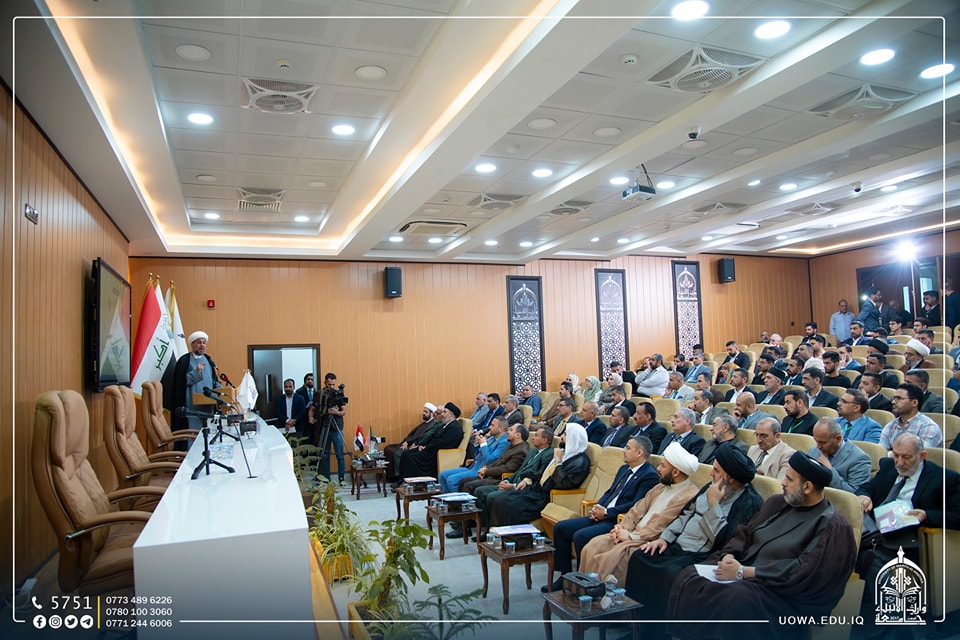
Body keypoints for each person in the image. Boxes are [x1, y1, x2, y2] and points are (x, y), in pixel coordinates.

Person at [667, 452, 857, 640]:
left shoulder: (832, 525)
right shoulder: (778, 503)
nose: (782, 483)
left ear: (807, 487)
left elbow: (804, 571)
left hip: (781, 592)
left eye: (789, 479)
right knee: (690, 576)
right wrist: (729, 555)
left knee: (735, 598)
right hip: (745, 573)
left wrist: (744, 572)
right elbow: (745, 533)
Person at [624, 446, 763, 637]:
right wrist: (664, 539)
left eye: (716, 470)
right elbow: (685, 514)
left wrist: (714, 505)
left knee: (671, 573)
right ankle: (638, 628)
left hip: (703, 554)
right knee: (640, 557)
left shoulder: (749, 502)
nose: (711, 473)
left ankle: (660, 633)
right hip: (677, 545)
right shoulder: (709, 487)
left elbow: (726, 542)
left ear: (730, 478)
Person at [855, 433, 960, 625]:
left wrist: (927, 515)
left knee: (869, 557)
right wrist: (864, 496)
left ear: (922, 456)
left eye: (906, 457)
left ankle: (894, 619)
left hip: (909, 538)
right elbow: (867, 488)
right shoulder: (889, 467)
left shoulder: (945, 479)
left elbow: (958, 516)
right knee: (841, 546)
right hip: (874, 528)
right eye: (896, 455)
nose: (900, 462)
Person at [543, 434, 660, 590]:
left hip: (616, 520)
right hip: (602, 514)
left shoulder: (649, 475)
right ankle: (565, 577)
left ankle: (582, 581)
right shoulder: (624, 469)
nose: (623, 451)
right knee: (561, 528)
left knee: (581, 536)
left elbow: (636, 506)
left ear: (639, 453)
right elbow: (610, 492)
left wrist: (606, 513)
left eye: (627, 448)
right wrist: (598, 506)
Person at [576, 442, 700, 585]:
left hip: (646, 539)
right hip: (630, 532)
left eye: (663, 466)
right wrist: (622, 528)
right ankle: (582, 588)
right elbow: (637, 509)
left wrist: (631, 536)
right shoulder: (660, 487)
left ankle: (600, 594)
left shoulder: (689, 495)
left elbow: (660, 524)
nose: (658, 468)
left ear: (676, 472)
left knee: (610, 559)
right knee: (592, 546)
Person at [487, 423, 591, 529]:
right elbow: (541, 472)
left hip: (546, 497)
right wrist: (527, 480)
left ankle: (512, 536)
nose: (561, 437)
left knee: (508, 504)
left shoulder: (580, 461)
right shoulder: (564, 453)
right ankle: (495, 533)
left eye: (565, 435)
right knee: (501, 498)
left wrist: (558, 461)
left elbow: (563, 483)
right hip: (535, 489)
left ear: (573, 438)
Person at [472, 426, 554, 539]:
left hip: (524, 488)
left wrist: (513, 486)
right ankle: (487, 528)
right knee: (480, 491)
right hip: (513, 481)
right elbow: (520, 470)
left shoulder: (549, 454)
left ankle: (494, 532)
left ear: (544, 440)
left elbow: (536, 475)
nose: (532, 438)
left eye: (536, 435)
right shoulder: (533, 451)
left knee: (492, 497)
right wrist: (507, 480)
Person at [394, 402, 464, 482]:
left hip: (435, 455)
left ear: (451, 414)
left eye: (444, 412)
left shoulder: (454, 428)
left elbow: (441, 443)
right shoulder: (445, 425)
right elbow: (432, 436)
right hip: (430, 450)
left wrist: (426, 447)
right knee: (406, 454)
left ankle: (410, 482)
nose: (442, 414)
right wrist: (423, 445)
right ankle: (403, 480)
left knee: (409, 457)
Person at [439, 415, 509, 494]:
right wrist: (478, 443)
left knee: (451, 480)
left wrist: (483, 444)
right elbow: (481, 452)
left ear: (501, 428)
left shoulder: (504, 442)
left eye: (492, 425)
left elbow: (490, 460)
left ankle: (457, 500)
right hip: (472, 466)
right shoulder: (492, 438)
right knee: (442, 475)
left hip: (481, 470)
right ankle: (447, 498)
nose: (489, 427)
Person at [171, 330, 220, 444]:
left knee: (208, 435)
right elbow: (181, 382)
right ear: (192, 344)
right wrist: (196, 372)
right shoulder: (184, 361)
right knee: (193, 436)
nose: (202, 345)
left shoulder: (208, 360)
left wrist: (221, 390)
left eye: (204, 343)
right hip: (192, 407)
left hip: (208, 405)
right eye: (199, 342)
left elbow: (213, 380)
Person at [807, 417, 871, 493]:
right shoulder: (813, 451)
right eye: (816, 441)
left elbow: (854, 494)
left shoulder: (859, 459)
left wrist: (829, 470)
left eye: (822, 442)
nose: (818, 446)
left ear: (838, 438)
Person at [878, 383, 942, 450]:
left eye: (899, 398)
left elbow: (920, 453)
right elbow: (882, 451)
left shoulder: (928, 427)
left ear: (914, 402)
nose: (893, 402)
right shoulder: (891, 425)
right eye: (894, 398)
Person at [383, 402, 438, 481]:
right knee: (388, 448)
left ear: (432, 413)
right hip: (410, 443)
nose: (423, 413)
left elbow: (424, 437)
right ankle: (390, 475)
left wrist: (414, 444)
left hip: (416, 446)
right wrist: (406, 442)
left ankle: (398, 476)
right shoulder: (424, 424)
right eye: (423, 411)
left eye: (426, 412)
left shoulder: (433, 424)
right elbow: (413, 434)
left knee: (398, 453)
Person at [313, 372, 348, 484]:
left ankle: (341, 478)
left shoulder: (338, 394)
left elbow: (344, 412)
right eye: (329, 384)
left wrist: (336, 412)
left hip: (336, 427)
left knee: (340, 454)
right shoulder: (320, 394)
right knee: (325, 454)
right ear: (325, 383)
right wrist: (311, 417)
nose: (332, 387)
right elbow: (314, 408)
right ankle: (326, 478)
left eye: (333, 384)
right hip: (324, 425)